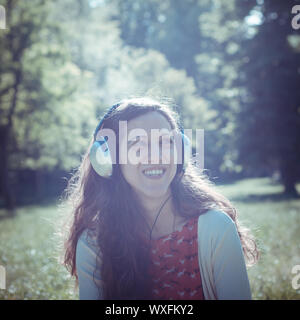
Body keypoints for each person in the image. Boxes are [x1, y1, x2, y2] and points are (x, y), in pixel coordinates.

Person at [60, 97, 259, 300]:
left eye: (165, 142)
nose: (155, 155)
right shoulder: (94, 244)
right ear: (109, 159)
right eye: (137, 144)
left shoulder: (216, 227)